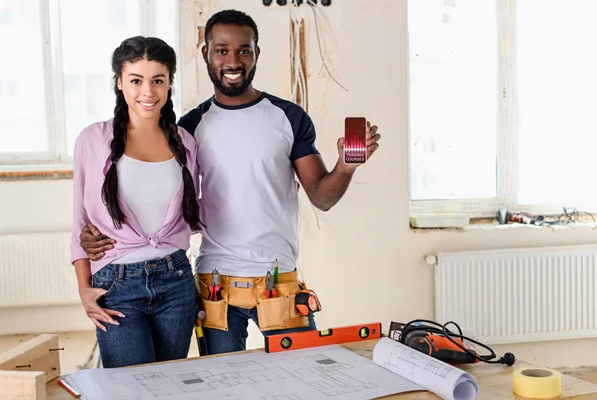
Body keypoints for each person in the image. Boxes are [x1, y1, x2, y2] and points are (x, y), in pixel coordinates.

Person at [78, 9, 381, 356]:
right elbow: (155, 195)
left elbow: (322, 197)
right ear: (206, 53)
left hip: (278, 280)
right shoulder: (189, 129)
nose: (233, 60)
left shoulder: (288, 117)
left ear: (256, 54)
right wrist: (98, 232)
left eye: (244, 50)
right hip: (215, 284)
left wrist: (345, 166)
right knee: (222, 384)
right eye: (222, 50)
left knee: (302, 373)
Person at [70, 36, 203, 368]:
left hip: (176, 281)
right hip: (116, 285)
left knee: (171, 384)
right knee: (130, 386)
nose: (148, 91)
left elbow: (198, 209)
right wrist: (84, 289)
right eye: (136, 80)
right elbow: (79, 221)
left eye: (158, 80)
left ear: (170, 83)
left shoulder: (185, 142)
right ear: (119, 82)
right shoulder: (93, 140)